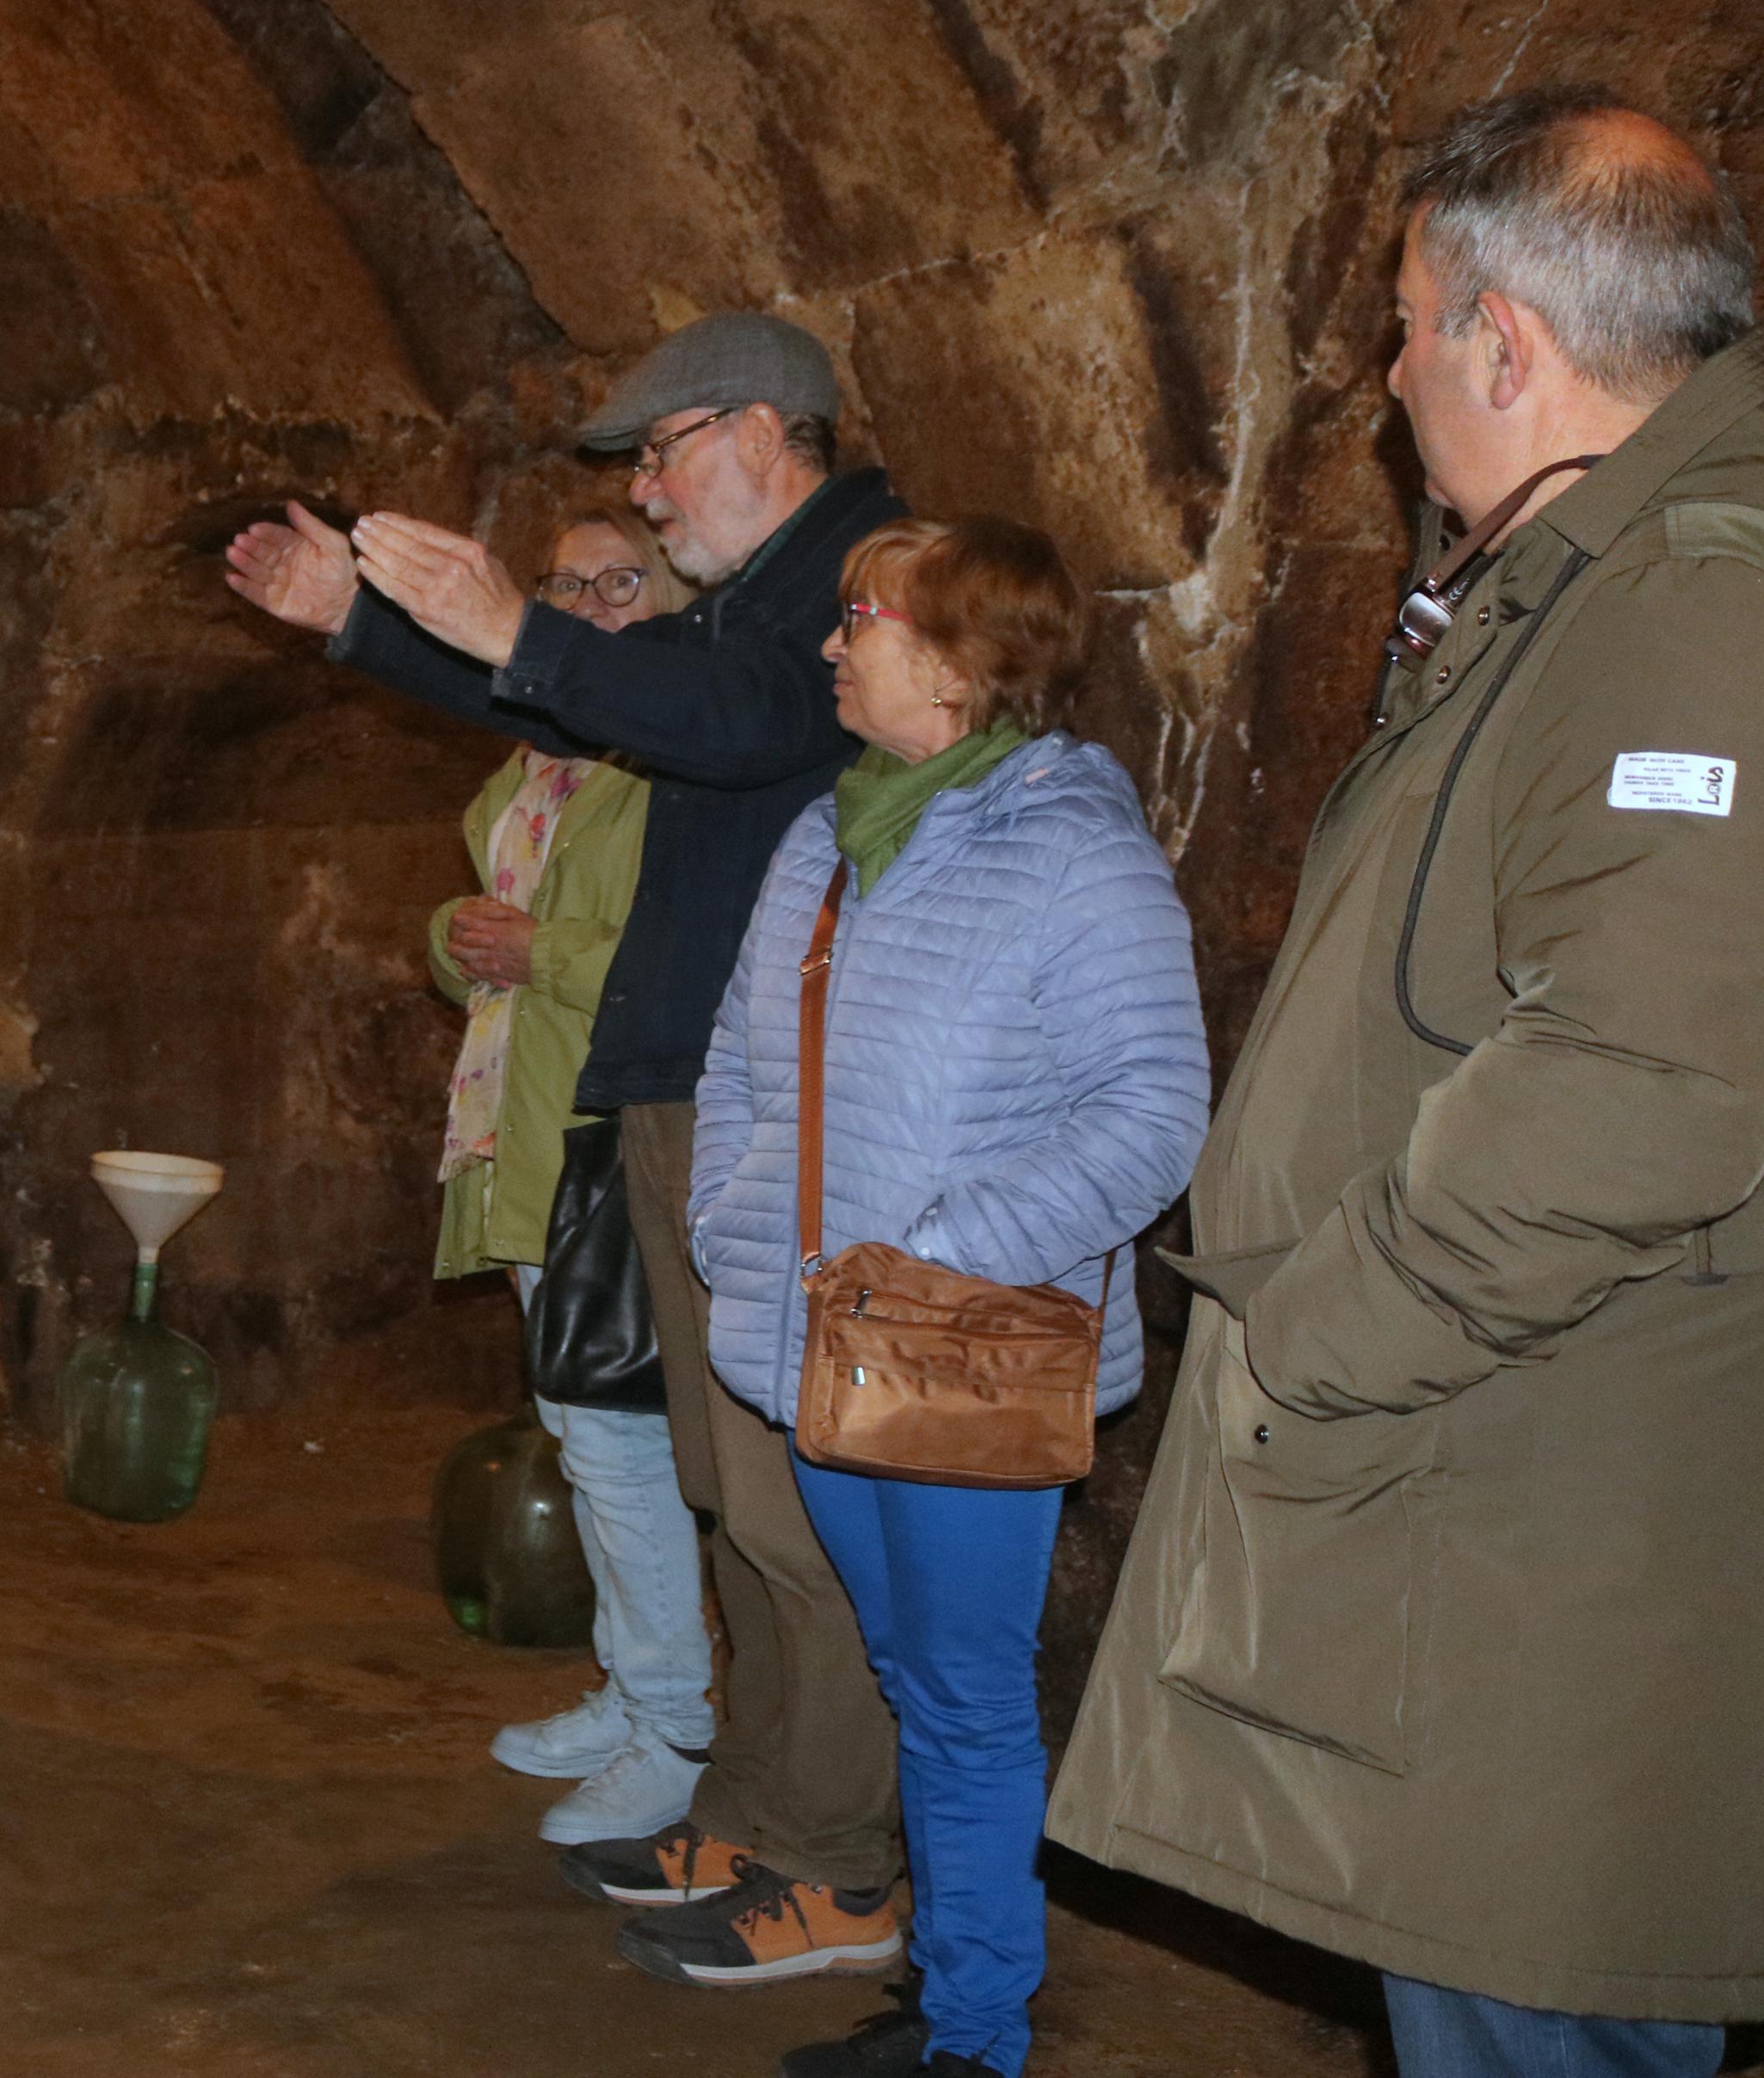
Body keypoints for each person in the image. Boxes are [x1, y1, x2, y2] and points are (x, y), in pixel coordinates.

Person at [1052, 91, 1764, 2073]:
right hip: (1510, 1483)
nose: (1390, 375)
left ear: (1508, 344)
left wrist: (1317, 1328)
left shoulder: (1698, 608)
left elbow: (1644, 1073)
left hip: (1550, 1521)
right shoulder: (1589, 564)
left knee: (1534, 2015)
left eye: (1409, 322)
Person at [229, 312, 910, 1969]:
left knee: (787, 1500)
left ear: (760, 432)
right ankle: (760, 1808)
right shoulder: (761, 592)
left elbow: (736, 722)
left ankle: (844, 1865)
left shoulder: (853, 580)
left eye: (663, 456)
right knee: (731, 1492)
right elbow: (622, 708)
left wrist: (514, 621)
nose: (651, 496)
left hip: (776, 1100)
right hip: (695, 1083)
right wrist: (365, 626)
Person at [681, 521, 1206, 2071]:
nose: (834, 647)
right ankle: (942, 1978)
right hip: (827, 1348)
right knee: (914, 1680)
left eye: (862, 621)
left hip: (961, 1358)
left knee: (965, 1697)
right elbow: (736, 1059)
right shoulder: (828, 835)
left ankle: (977, 2032)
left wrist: (942, 1254)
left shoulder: (1073, 852)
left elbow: (1150, 1111)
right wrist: (732, 1221)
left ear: (968, 660)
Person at [428, 513, 719, 1844]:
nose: (595, 605)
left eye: (625, 581)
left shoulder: (678, 765)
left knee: (619, 1439)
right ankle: (629, 1686)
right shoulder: (541, 758)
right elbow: (477, 923)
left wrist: (532, 951)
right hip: (527, 1126)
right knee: (584, 1430)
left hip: (613, 1132)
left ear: (670, 600)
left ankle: (676, 1722)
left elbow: (692, 968)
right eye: (568, 584)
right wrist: (457, 936)